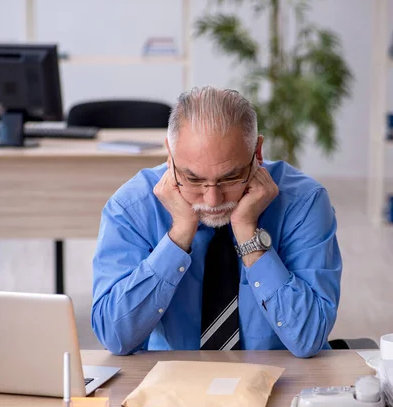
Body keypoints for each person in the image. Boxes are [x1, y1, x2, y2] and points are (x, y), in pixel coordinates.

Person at [92, 86, 342, 358]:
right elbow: (114, 337)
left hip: (279, 382)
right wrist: (178, 238)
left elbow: (309, 338)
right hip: (173, 386)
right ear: (170, 155)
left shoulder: (303, 202)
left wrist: (249, 235)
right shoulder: (132, 207)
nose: (212, 199)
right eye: (193, 178)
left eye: (230, 178)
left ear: (257, 153)